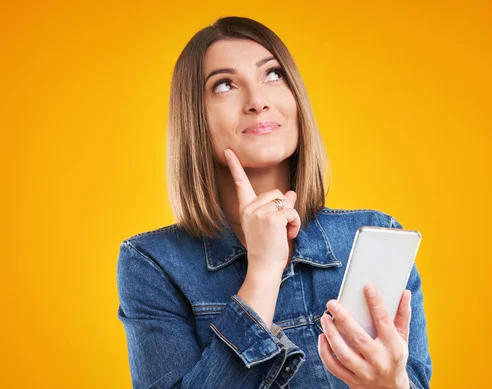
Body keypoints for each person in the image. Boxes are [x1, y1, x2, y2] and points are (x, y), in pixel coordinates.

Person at [116, 16, 432, 389]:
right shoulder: (153, 264)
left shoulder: (375, 237)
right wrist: (263, 273)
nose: (258, 101)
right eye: (225, 85)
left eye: (272, 75)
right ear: (194, 118)